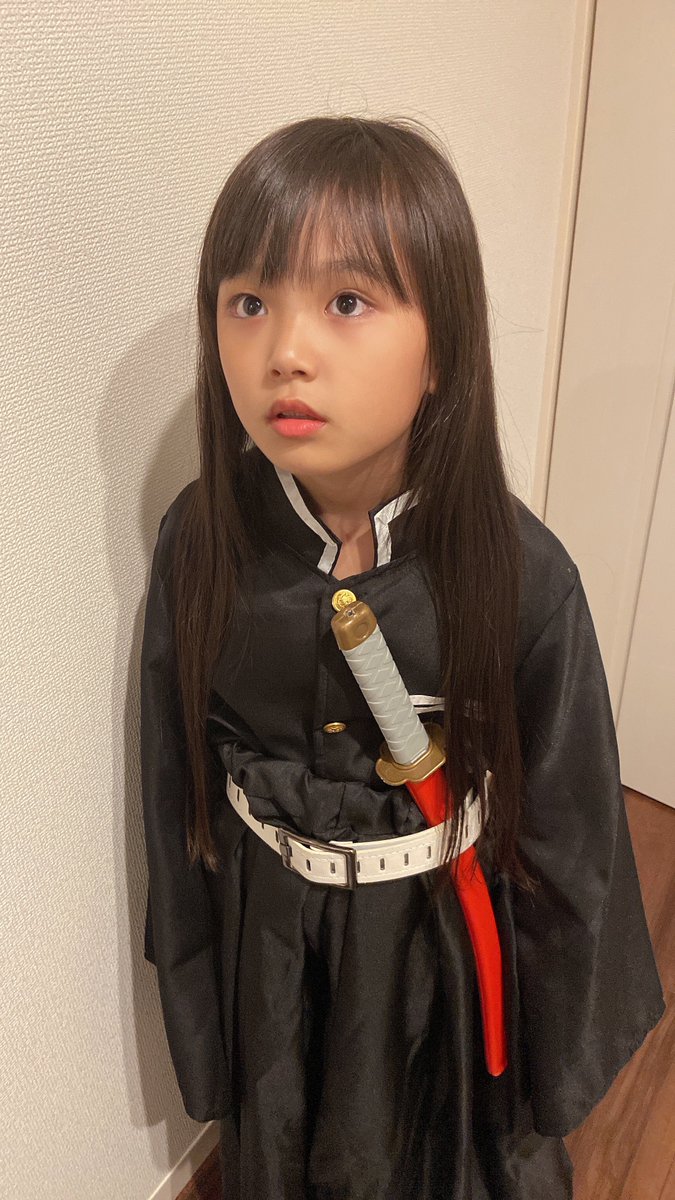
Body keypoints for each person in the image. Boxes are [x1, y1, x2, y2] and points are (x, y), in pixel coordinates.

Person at [139, 115, 665, 1200]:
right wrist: (196, 1001)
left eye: (347, 301)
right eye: (249, 301)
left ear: (444, 349)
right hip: (271, 956)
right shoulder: (201, 541)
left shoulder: (521, 575)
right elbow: (172, 783)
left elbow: (572, 841)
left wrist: (549, 1069)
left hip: (437, 963)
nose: (285, 351)